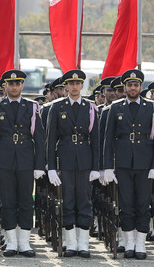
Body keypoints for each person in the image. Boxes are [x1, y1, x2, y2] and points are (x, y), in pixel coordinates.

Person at [0, 69, 46, 257]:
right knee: (7, 200)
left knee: (25, 200)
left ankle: (24, 242)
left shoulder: (32, 106)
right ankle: (11, 242)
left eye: (17, 84)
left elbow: (39, 138)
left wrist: (39, 165)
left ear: (22, 86)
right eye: (11, 84)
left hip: (26, 158)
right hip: (4, 158)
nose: (14, 87)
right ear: (5, 86)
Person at [103, 68, 154, 260]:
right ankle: (129, 242)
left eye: (136, 85)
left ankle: (141, 244)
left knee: (143, 205)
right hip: (123, 163)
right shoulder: (116, 107)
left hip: (144, 163)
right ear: (125, 87)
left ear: (140, 87)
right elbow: (108, 139)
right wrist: (107, 166)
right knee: (126, 204)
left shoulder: (151, 107)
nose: (133, 88)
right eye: (129, 85)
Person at [45, 69, 100, 257]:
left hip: (85, 159)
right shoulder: (57, 107)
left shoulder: (90, 107)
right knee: (67, 200)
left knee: (84, 200)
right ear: (66, 86)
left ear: (82, 85)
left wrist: (96, 167)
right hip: (66, 158)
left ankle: (83, 244)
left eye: (78, 83)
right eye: (71, 84)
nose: (74, 87)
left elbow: (96, 140)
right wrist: (51, 167)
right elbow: (51, 139)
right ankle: (71, 243)